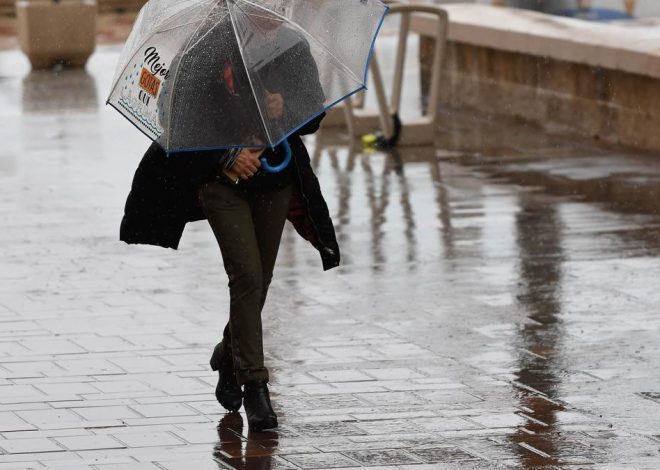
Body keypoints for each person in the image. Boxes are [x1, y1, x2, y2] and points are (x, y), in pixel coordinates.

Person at [120, 8, 340, 431]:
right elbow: (174, 116)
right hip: (219, 181)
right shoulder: (206, 45)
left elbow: (313, 112)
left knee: (262, 278)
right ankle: (256, 387)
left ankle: (229, 353)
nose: (273, 9)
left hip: (274, 179)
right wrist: (226, 156)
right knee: (246, 276)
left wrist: (286, 106)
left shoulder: (290, 44)